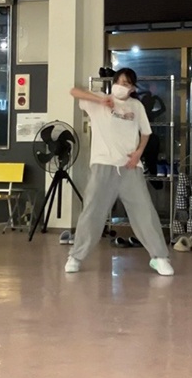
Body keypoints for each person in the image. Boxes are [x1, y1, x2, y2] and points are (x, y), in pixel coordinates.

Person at [64, 68, 173, 275]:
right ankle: (75, 256)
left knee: (145, 212)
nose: (122, 86)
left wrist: (138, 153)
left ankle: (159, 257)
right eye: (120, 82)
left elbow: (146, 133)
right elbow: (74, 91)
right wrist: (100, 100)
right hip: (103, 165)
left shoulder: (136, 106)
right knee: (92, 213)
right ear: (114, 83)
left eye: (127, 84)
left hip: (130, 167)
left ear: (132, 88)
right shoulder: (98, 100)